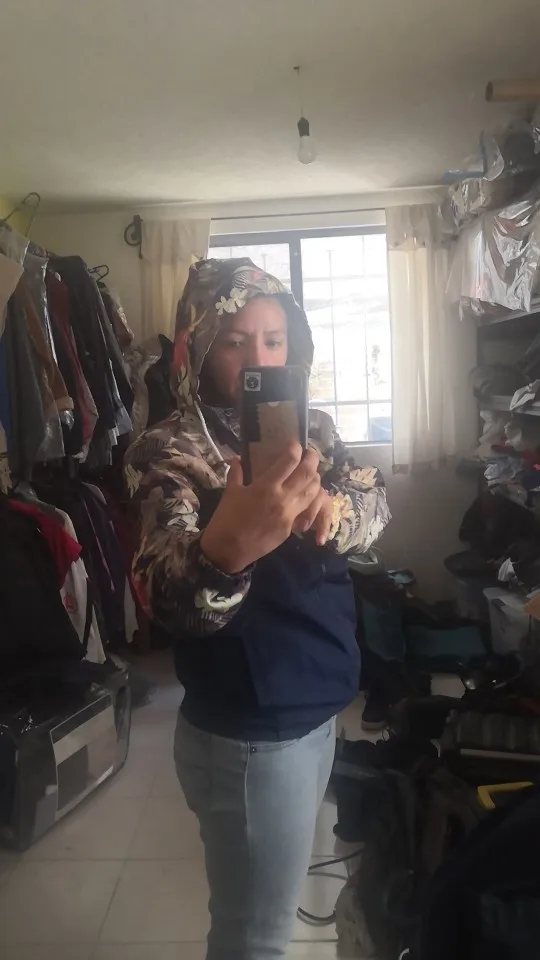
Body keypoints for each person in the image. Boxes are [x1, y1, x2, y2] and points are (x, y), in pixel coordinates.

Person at [124, 258, 390, 960]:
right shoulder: (170, 449)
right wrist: (227, 549)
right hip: (252, 732)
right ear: (201, 348)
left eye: (273, 340)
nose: (258, 359)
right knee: (256, 941)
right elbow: (161, 593)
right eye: (235, 341)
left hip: (318, 702)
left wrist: (337, 510)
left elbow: (376, 501)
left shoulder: (315, 428)